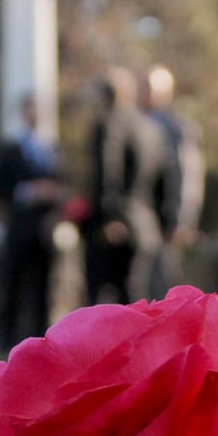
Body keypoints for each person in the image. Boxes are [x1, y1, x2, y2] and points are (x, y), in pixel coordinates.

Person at [82, 66, 177, 305]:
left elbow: (109, 172)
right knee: (137, 298)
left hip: (114, 227)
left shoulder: (109, 123)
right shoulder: (152, 128)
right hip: (145, 227)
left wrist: (110, 217)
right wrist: (165, 222)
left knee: (101, 303)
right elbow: (165, 180)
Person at [0, 93, 64, 352]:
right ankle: (5, 342)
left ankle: (43, 343)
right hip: (19, 230)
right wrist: (28, 191)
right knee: (13, 287)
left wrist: (54, 194)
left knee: (44, 290)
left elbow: (65, 182)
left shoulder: (52, 149)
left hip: (45, 230)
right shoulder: (10, 149)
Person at [142, 64, 205, 293]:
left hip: (164, 220)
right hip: (142, 220)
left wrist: (180, 219)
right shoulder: (135, 122)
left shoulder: (175, 128)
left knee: (163, 284)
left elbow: (185, 174)